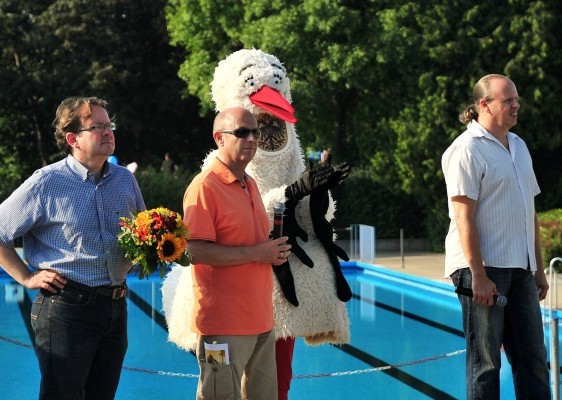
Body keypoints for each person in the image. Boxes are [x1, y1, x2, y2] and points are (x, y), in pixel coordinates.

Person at [0, 96, 146, 399]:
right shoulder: (46, 182)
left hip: (115, 306)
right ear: (72, 138)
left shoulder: (124, 181)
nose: (108, 132)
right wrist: (26, 277)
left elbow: (141, 236)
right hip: (65, 308)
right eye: (97, 127)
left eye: (110, 125)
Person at [442, 74, 551, 399]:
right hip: (483, 270)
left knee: (533, 361)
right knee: (485, 366)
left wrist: (538, 269)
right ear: (483, 105)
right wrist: (478, 275)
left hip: (520, 270)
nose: (516, 105)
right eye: (508, 100)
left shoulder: (518, 146)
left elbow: (527, 211)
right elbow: (464, 217)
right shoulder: (465, 150)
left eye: (516, 99)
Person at [183, 107, 291, 400]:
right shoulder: (205, 187)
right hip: (223, 328)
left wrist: (271, 251)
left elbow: (252, 245)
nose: (252, 138)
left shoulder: (250, 183)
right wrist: (259, 253)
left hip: (262, 323)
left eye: (255, 132)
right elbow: (195, 251)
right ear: (219, 138)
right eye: (242, 132)